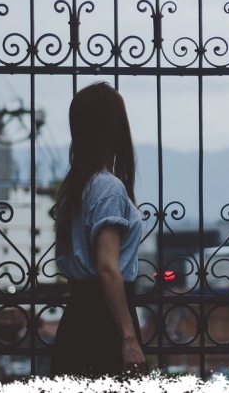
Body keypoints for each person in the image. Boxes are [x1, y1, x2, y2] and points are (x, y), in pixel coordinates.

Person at [51, 82, 148, 378]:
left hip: (78, 315)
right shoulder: (108, 187)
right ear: (114, 128)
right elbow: (107, 268)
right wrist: (129, 338)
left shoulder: (76, 186)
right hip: (104, 321)